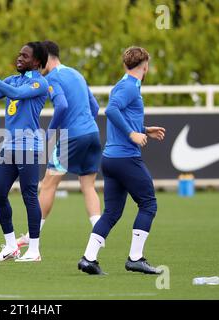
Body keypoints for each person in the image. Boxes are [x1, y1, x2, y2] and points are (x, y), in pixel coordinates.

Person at [78, 46, 166, 275]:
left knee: (112, 212)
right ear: (145, 66)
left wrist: (145, 130)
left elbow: (123, 114)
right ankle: (135, 258)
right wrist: (132, 135)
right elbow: (112, 110)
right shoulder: (129, 87)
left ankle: (89, 259)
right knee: (148, 204)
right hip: (125, 158)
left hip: (111, 160)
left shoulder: (125, 84)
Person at [16, 40, 102, 248]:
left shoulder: (52, 77)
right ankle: (100, 233)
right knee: (88, 185)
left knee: (48, 184)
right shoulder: (76, 74)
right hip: (92, 132)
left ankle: (32, 235)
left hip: (70, 137)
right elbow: (96, 106)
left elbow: (62, 106)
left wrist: (50, 134)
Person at [0, 42, 48, 262]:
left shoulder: (39, 83)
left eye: (25, 56)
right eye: (19, 54)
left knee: (29, 196)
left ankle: (34, 249)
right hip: (9, 147)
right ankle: (11, 246)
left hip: (28, 147)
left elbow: (14, 94)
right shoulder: (11, 79)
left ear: (38, 62)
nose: (19, 58)